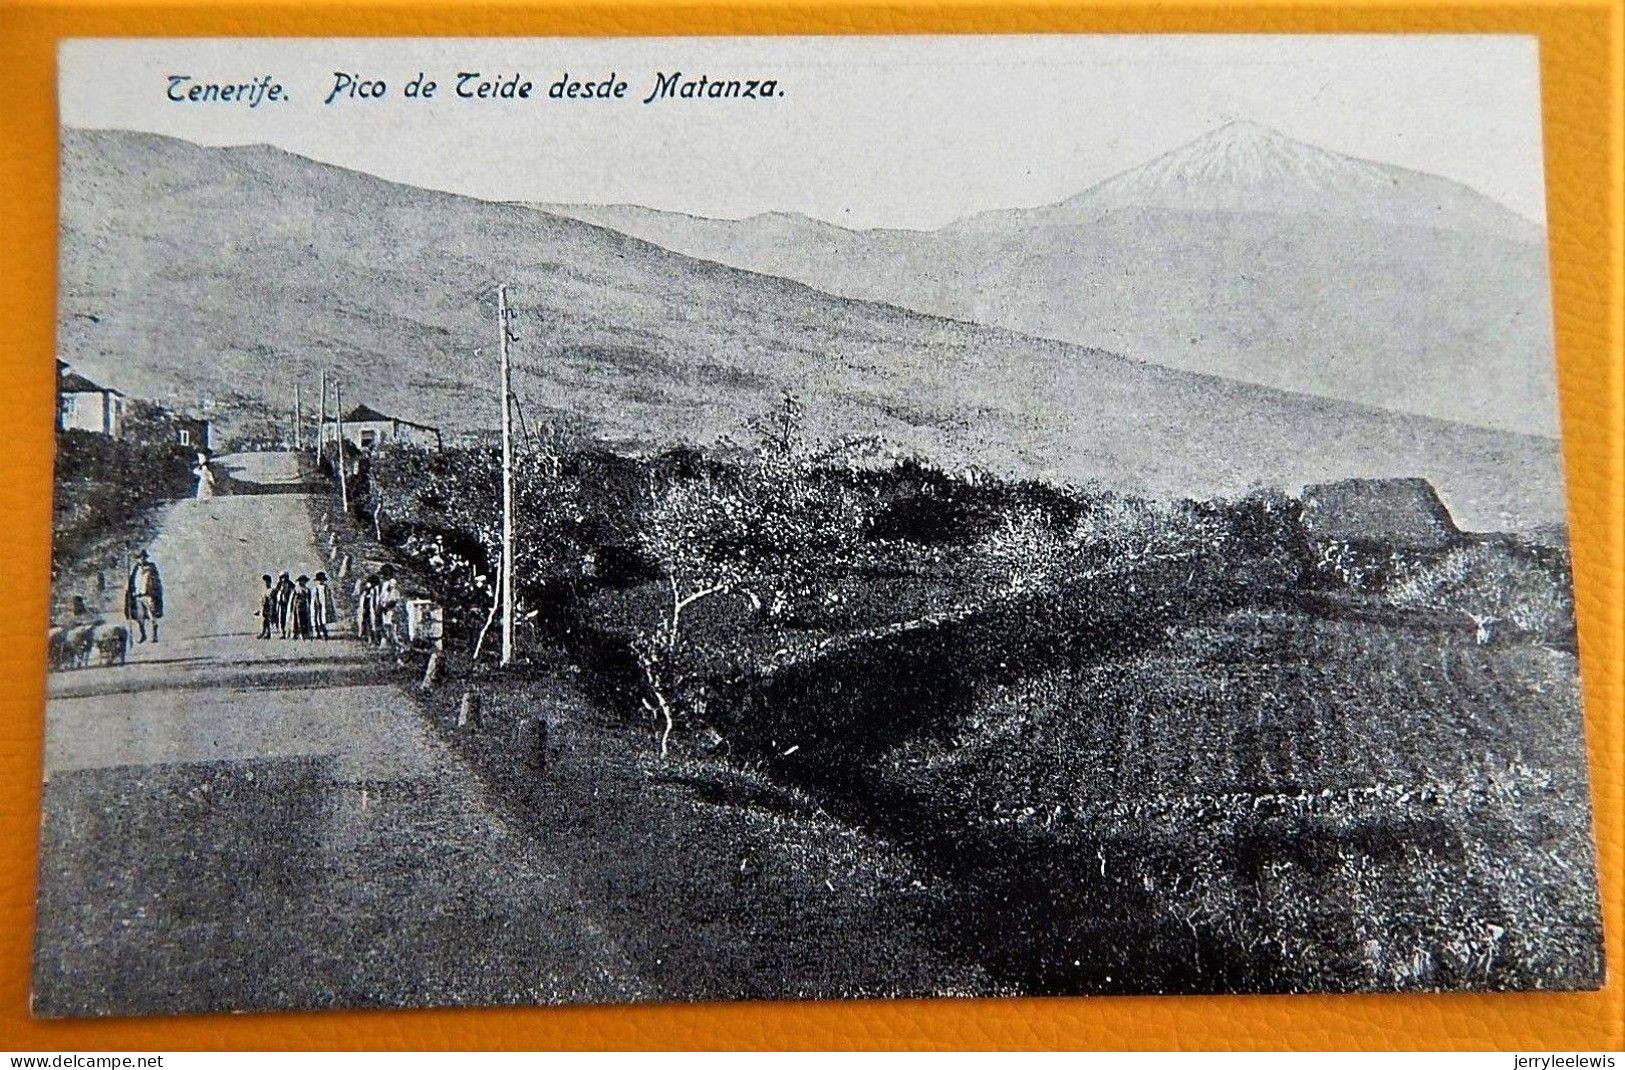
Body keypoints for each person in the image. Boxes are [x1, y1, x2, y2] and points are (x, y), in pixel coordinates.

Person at [124, 549, 164, 643]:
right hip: (138, 595)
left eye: (143, 558)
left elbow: (156, 581)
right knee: (140, 616)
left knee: (152, 615)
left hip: (149, 595)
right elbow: (131, 581)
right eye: (139, 558)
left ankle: (154, 635)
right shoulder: (135, 569)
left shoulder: (151, 568)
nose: (141, 559)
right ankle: (143, 634)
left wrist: (154, 591)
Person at [311, 571, 336, 639]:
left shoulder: (326, 588)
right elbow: (314, 597)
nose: (320, 581)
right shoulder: (315, 588)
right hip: (316, 605)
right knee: (316, 619)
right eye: (319, 580)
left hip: (323, 605)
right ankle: (318, 633)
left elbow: (328, 597)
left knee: (322, 619)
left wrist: (328, 605)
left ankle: (324, 633)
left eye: (322, 580)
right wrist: (316, 602)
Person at [354, 573, 379, 642]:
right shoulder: (366, 590)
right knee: (366, 622)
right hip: (366, 607)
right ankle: (367, 636)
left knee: (372, 622)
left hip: (371, 607)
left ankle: (372, 637)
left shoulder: (374, 589)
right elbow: (361, 597)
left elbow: (376, 599)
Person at [290, 575, 314, 640]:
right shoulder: (296, 589)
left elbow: (309, 598)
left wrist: (309, 605)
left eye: (304, 581)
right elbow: (293, 599)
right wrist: (293, 606)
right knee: (297, 620)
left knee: (305, 620)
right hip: (297, 606)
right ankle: (297, 634)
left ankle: (306, 634)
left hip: (305, 606)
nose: (303, 582)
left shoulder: (307, 589)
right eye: (301, 581)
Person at [272, 572, 295, 638]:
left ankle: (289, 632)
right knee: (281, 618)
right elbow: (276, 592)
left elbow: (293, 593)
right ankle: (282, 632)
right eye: (282, 577)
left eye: (284, 577)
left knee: (288, 618)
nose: (283, 579)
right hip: (281, 604)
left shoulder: (290, 585)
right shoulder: (279, 585)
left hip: (288, 604)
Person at [256, 574, 275, 639]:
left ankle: (266, 633)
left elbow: (271, 601)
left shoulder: (271, 590)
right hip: (263, 608)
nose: (266, 583)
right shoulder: (264, 591)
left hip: (268, 608)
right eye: (265, 581)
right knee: (264, 621)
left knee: (266, 621)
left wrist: (271, 610)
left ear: (270, 582)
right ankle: (264, 633)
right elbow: (262, 601)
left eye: (267, 581)